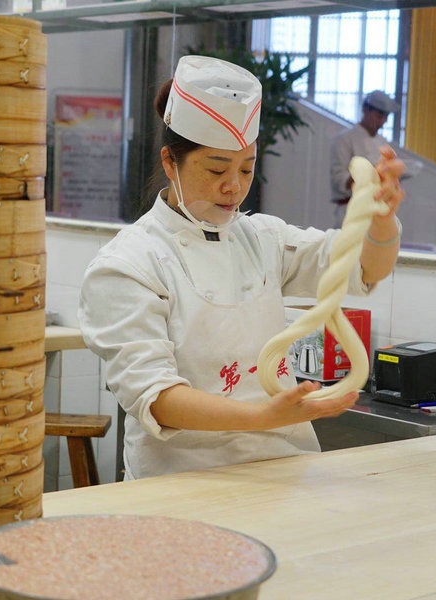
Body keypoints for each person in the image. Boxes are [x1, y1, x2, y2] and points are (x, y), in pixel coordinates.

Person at [78, 56, 405, 480]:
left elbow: (364, 267)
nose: (234, 185)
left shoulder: (263, 238)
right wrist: (263, 415)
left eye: (246, 168)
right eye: (216, 169)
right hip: (181, 482)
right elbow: (156, 397)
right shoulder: (128, 264)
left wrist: (380, 217)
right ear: (169, 162)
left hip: (284, 473)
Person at [330, 90, 401, 224]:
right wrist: (368, 171)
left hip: (377, 211)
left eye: (386, 116)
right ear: (365, 109)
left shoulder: (382, 143)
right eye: (379, 114)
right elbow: (339, 182)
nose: (382, 120)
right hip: (349, 211)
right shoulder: (344, 139)